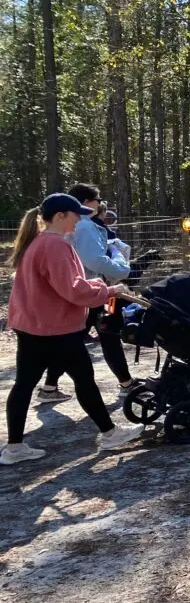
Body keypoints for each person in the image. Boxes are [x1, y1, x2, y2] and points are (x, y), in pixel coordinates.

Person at [2, 194, 144, 465]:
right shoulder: (56, 246)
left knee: (23, 385)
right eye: (75, 214)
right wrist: (109, 289)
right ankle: (110, 433)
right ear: (59, 217)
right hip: (55, 328)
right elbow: (74, 289)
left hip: (32, 326)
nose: (80, 219)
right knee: (84, 379)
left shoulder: (37, 242)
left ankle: (14, 447)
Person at [64, 183, 138, 395]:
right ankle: (125, 382)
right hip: (94, 290)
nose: (100, 203)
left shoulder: (82, 225)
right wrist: (120, 265)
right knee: (106, 333)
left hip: (91, 290)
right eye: (97, 200)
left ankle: (125, 381)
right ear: (88, 202)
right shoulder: (85, 226)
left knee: (99, 334)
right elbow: (95, 260)